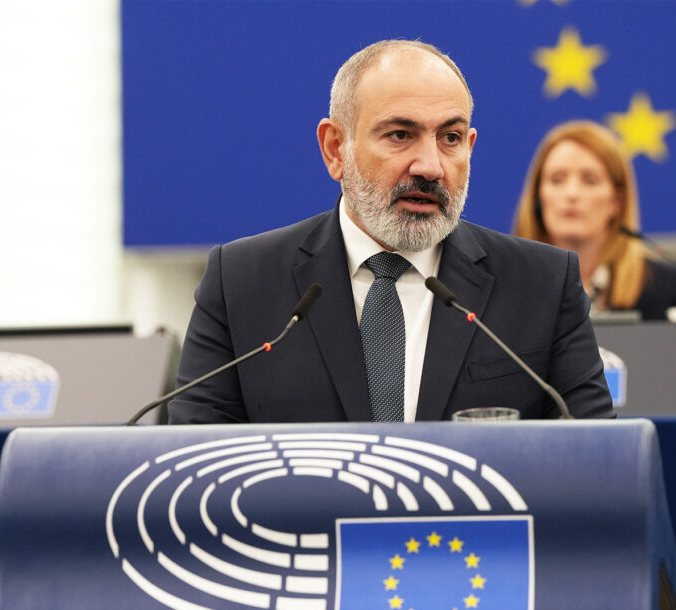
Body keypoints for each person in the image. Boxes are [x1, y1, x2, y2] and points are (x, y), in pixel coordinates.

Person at [169, 40, 614, 424]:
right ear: (335, 148)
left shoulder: (543, 284)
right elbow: (193, 467)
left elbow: (599, 463)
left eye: (451, 138)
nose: (430, 166)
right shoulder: (241, 282)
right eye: (401, 135)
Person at [513, 120, 676, 321]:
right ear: (538, 196)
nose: (571, 194)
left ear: (617, 201)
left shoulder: (663, 285)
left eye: (590, 180)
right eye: (557, 179)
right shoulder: (507, 282)